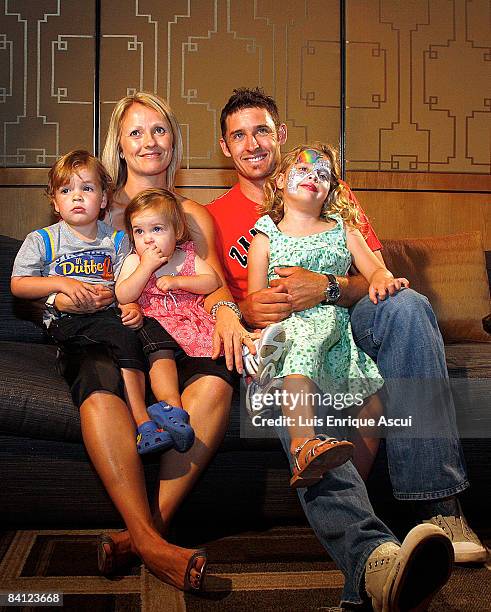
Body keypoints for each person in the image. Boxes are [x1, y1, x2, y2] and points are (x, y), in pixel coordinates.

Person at [206, 87, 486, 608]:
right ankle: (375, 559)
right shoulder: (216, 216)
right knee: (290, 362)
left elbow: (375, 279)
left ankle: (439, 509)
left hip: (348, 316)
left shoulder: (335, 196)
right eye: (239, 135)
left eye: (262, 130)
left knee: (409, 307)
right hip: (286, 333)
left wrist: (327, 286)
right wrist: (237, 309)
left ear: (281, 136)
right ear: (225, 148)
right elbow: (214, 287)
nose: (252, 144)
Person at [49, 92, 254, 592]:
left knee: (217, 378)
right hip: (108, 335)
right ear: (118, 143)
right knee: (100, 376)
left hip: (176, 333)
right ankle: (154, 542)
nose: (149, 141)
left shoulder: (192, 214)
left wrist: (227, 312)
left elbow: (214, 284)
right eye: (136, 131)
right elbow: (58, 271)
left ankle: (141, 537)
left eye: (159, 130)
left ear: (174, 140)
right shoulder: (94, 205)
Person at [10, 150, 191, 457]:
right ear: (54, 203)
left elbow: (126, 285)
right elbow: (19, 285)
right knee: (119, 336)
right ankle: (143, 422)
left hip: (108, 317)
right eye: (66, 191)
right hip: (68, 322)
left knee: (151, 330)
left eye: (87, 189)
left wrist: (131, 306)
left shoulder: (117, 241)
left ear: (105, 199)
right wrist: (61, 283)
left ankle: (168, 407)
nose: (76, 197)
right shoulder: (43, 240)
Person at [116, 187, 231, 443]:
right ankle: (170, 407)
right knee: (161, 352)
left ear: (177, 231)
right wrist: (146, 268)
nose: (147, 239)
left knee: (215, 354)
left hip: (189, 327)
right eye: (139, 231)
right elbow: (123, 294)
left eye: (157, 229)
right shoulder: (135, 262)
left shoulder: (185, 256)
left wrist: (180, 281)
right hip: (156, 326)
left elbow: (211, 281)